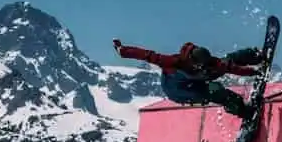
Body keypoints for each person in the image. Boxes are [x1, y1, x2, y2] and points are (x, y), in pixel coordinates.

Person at [112, 39, 265, 119]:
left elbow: (229, 67)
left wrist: (253, 72)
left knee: (229, 59)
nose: (202, 68)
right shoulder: (174, 62)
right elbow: (147, 55)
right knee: (216, 90)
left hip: (194, 81)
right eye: (199, 66)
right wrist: (123, 51)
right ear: (192, 61)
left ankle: (255, 55)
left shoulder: (210, 63)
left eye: (204, 66)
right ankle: (245, 111)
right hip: (178, 90)